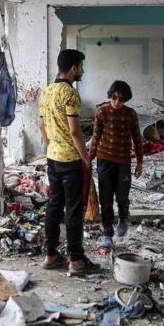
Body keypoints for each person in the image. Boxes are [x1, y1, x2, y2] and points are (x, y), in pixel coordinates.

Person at [39, 49, 100, 276]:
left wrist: (50, 146)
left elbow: (42, 127)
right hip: (71, 161)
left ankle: (51, 255)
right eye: (81, 66)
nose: (82, 70)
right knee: (74, 210)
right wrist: (86, 159)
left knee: (54, 205)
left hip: (53, 159)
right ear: (73, 67)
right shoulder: (70, 95)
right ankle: (76, 260)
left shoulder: (46, 92)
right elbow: (75, 132)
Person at [89, 80, 143, 251]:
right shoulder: (101, 113)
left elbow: (137, 138)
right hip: (104, 160)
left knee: (122, 195)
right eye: (114, 98)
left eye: (121, 99)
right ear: (110, 96)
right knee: (105, 198)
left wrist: (140, 162)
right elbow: (95, 137)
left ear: (126, 99)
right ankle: (107, 234)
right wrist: (89, 158)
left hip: (123, 161)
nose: (117, 102)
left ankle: (123, 217)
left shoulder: (130, 114)